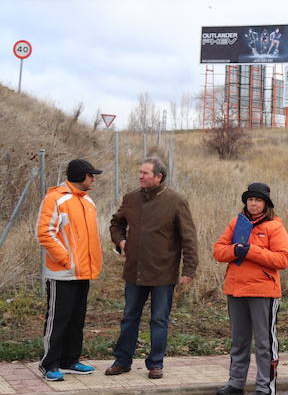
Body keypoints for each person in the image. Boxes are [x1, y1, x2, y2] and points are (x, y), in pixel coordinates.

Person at [106, 158, 198, 379]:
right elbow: (116, 223)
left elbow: (189, 238)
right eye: (140, 172)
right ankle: (122, 360)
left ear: (159, 177)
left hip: (163, 272)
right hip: (134, 270)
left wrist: (189, 270)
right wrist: (121, 242)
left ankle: (155, 363)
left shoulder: (176, 201)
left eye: (145, 173)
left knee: (159, 319)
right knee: (129, 317)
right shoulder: (130, 198)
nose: (140, 176)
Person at [213, 183, 288, 395]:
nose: (253, 204)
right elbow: (218, 250)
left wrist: (251, 251)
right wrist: (235, 250)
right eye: (250, 200)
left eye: (257, 200)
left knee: (264, 342)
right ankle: (236, 383)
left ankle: (266, 387)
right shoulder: (236, 223)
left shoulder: (275, 227)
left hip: (263, 292)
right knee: (239, 340)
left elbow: (282, 259)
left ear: (266, 203)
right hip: (236, 289)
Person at [36, 159, 104, 381]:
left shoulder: (88, 202)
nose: (93, 179)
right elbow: (45, 233)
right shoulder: (55, 199)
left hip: (83, 272)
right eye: (91, 175)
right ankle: (49, 364)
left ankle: (70, 361)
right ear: (81, 176)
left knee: (77, 319)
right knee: (58, 318)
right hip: (63, 273)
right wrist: (67, 259)